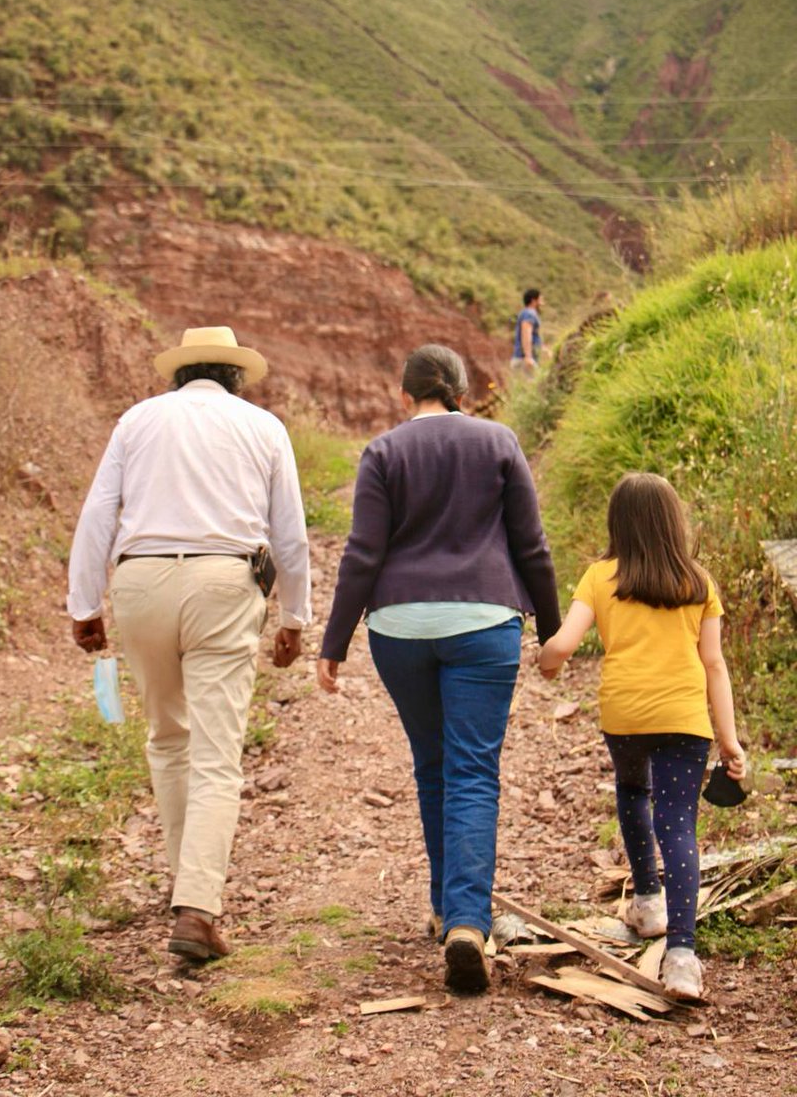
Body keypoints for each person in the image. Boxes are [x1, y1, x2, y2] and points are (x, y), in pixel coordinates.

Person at [317, 344, 560, 993]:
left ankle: (442, 904)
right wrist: (552, 627)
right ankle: (466, 921)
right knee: (473, 767)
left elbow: (363, 553)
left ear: (405, 395)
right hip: (484, 624)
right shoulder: (498, 441)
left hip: (398, 627)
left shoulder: (384, 453)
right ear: (462, 389)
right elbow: (530, 545)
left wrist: (333, 642)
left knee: (433, 762)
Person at [68, 326, 311, 962]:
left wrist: (84, 603)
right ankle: (198, 908)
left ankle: (186, 886)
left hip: (141, 581)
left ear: (180, 374)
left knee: (168, 737)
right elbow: (288, 532)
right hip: (224, 585)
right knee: (216, 751)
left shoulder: (137, 421)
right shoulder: (262, 427)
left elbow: (99, 513)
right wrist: (296, 615)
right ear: (235, 376)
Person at [537, 472, 745, 1001]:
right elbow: (714, 664)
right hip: (684, 720)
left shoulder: (600, 577)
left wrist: (547, 662)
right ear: (673, 522)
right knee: (678, 826)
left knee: (633, 792)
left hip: (626, 715)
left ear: (618, 523)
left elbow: (562, 645)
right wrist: (730, 739)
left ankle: (648, 900)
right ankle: (681, 956)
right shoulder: (698, 581)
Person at [510, 287, 544, 374]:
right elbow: (526, 333)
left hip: (523, 359)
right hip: (524, 360)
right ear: (533, 300)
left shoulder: (527, 313)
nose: (542, 300)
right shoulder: (529, 313)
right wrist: (528, 356)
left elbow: (533, 336)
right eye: (540, 298)